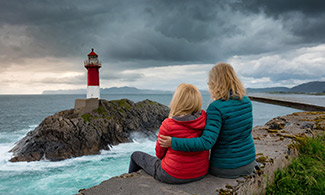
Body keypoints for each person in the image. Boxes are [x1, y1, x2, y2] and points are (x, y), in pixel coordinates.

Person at [159, 62, 258, 179]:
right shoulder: (246, 101)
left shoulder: (216, 107)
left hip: (226, 168)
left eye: (209, 82)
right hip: (249, 162)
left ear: (215, 83)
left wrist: (173, 142)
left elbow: (206, 143)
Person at [128, 83, 209, 184]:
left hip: (172, 175)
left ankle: (129, 184)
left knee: (135, 155)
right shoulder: (205, 120)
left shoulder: (168, 124)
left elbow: (159, 153)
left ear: (177, 101)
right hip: (200, 172)